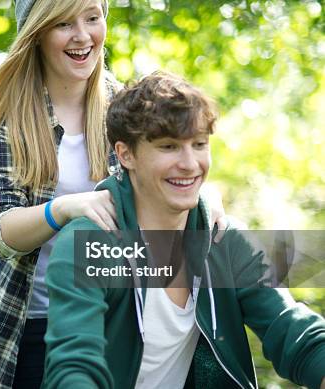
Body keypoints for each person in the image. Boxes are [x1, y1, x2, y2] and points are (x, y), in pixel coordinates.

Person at [0, 2, 227, 389]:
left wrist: (200, 197)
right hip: (22, 324)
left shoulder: (123, 105)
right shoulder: (5, 115)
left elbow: (167, 169)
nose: (83, 36)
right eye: (64, 22)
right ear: (37, 31)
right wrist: (61, 210)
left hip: (106, 314)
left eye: (93, 18)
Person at [43, 72, 325, 389]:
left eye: (199, 144)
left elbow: (292, 331)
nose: (190, 164)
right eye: (169, 146)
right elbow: (73, 366)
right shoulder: (89, 244)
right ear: (126, 155)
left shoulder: (223, 239)